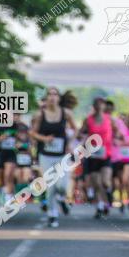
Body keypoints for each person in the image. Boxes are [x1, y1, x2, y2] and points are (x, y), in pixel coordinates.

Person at [30, 86, 77, 227]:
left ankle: (62, 198)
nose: (52, 97)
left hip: (62, 155)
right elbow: (32, 132)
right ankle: (52, 214)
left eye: (55, 94)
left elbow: (75, 129)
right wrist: (44, 139)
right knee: (50, 185)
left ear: (59, 98)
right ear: (47, 98)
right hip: (45, 155)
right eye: (49, 94)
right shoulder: (40, 115)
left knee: (62, 186)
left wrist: (69, 142)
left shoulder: (66, 113)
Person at [78, 97, 114, 218]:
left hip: (106, 154)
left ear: (104, 106)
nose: (99, 106)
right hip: (93, 155)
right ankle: (100, 206)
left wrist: (119, 138)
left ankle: (108, 195)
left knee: (105, 182)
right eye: (97, 104)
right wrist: (80, 137)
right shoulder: (88, 120)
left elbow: (119, 132)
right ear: (94, 106)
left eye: (101, 104)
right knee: (96, 183)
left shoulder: (110, 119)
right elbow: (81, 132)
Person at [107, 101, 129, 212]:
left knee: (126, 180)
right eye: (120, 119)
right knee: (119, 181)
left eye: (124, 119)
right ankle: (121, 201)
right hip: (118, 158)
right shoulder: (113, 130)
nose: (122, 121)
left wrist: (122, 142)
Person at [0, 116, 22, 204]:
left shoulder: (15, 125)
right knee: (2, 178)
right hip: (0, 154)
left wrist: (19, 141)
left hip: (11, 154)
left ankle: (8, 196)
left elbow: (23, 135)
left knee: (8, 174)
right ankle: (6, 191)